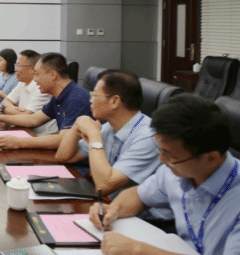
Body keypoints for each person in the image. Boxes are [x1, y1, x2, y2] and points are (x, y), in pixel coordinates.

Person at [88, 94, 240, 255]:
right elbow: (138, 195)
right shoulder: (173, 171)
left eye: (171, 156)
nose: (162, 160)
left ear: (211, 158)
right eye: (160, 150)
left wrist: (138, 250)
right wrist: (114, 210)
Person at [55, 70, 162, 198]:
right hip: (106, 203)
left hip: (130, 210)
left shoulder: (148, 137)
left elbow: (103, 186)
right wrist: (78, 123)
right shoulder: (110, 127)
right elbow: (63, 157)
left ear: (114, 101)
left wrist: (94, 135)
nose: (90, 100)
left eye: (95, 95)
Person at [0, 52, 92, 150]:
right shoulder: (58, 97)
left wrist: (19, 142)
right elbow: (33, 119)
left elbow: (63, 139)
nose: (35, 79)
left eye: (37, 74)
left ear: (53, 75)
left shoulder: (76, 98)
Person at [0, 49, 57, 136]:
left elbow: (27, 117)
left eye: (19, 66)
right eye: (16, 65)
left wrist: (2, 109)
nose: (15, 69)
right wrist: (14, 110)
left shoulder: (41, 88)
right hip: (22, 129)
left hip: (38, 135)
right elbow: (6, 101)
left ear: (32, 69)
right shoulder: (22, 83)